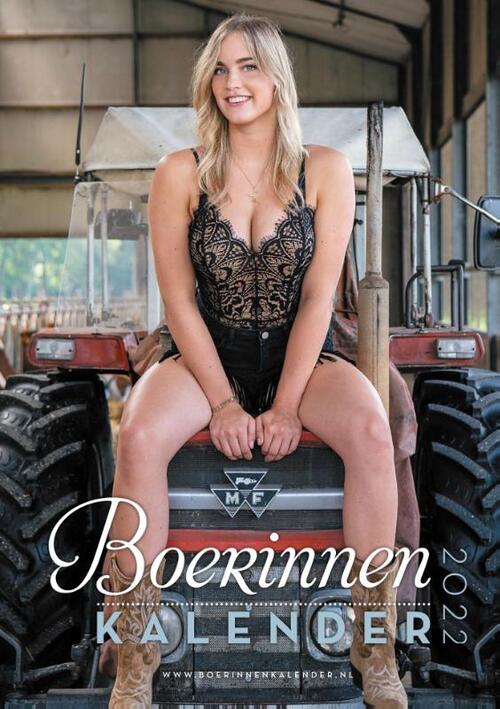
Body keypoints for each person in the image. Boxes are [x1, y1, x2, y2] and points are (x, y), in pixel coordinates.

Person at [102, 13, 407, 709]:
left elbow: (318, 299)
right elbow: (180, 301)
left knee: (370, 430)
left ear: (277, 77)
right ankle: (136, 655)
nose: (232, 83)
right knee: (139, 435)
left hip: (300, 353)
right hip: (206, 352)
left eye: (248, 67)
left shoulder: (324, 170)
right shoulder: (179, 172)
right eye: (220, 68)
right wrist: (222, 403)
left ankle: (376, 647)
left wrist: (289, 405)